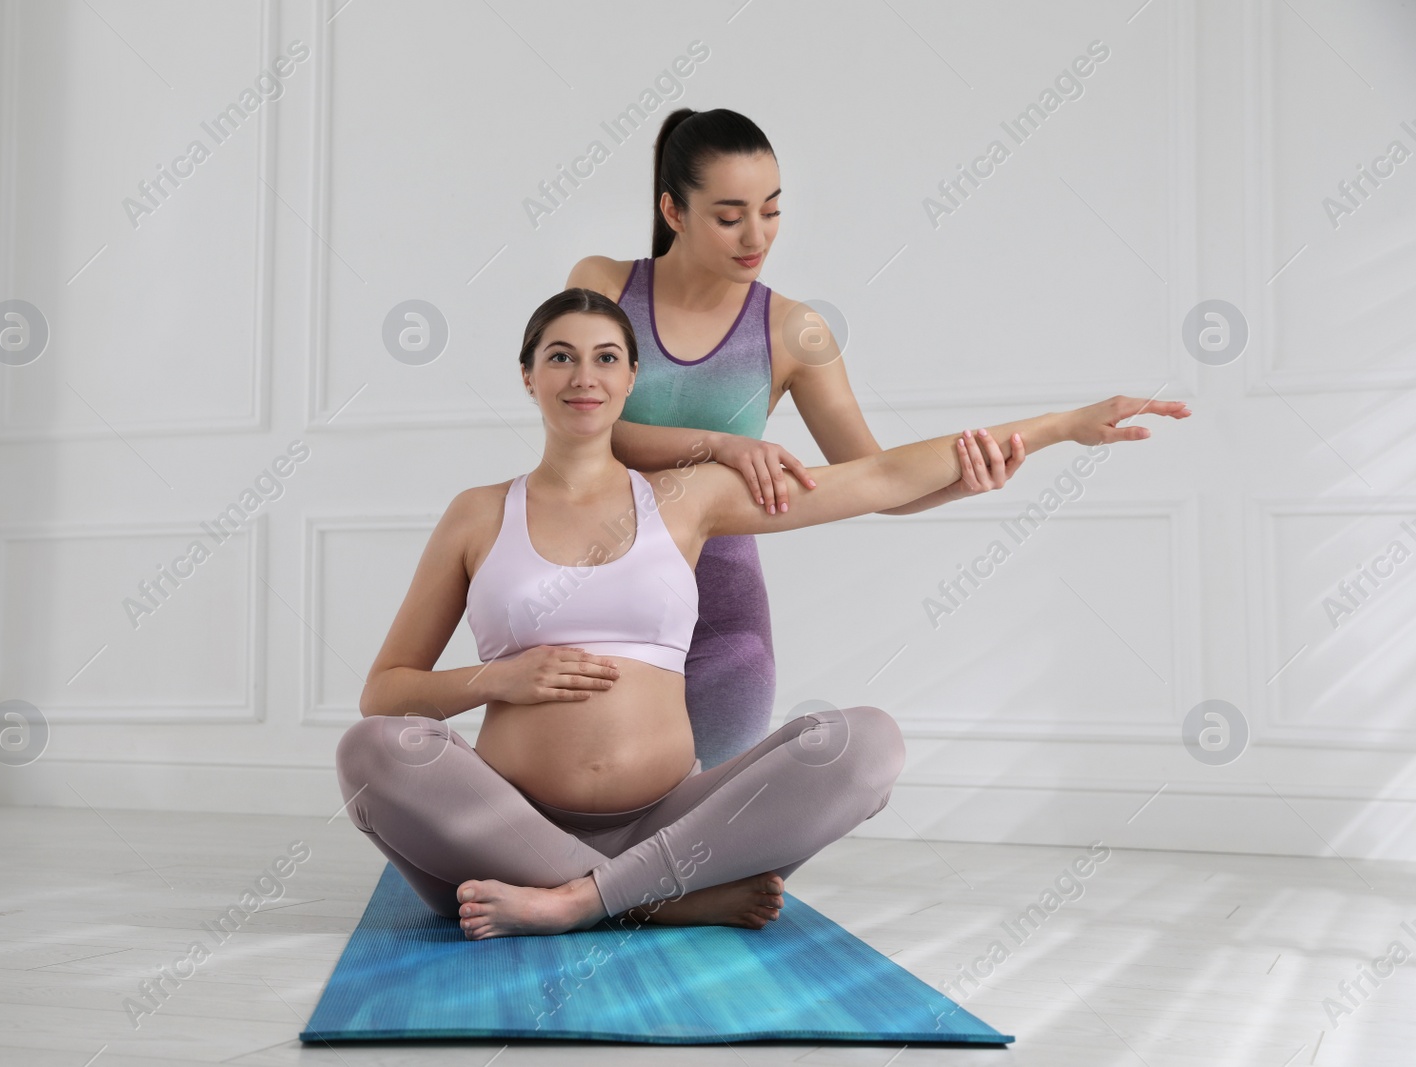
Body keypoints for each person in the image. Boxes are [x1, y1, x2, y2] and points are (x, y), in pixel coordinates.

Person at [337, 288, 1187, 940]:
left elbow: (879, 479)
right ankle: (658, 900)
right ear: (528, 376)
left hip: (673, 817)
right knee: (370, 753)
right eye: (559, 357)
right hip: (510, 819)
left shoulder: (687, 496)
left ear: (632, 380)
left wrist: (1061, 426)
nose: (583, 376)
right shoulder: (478, 512)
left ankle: (583, 899)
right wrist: (501, 676)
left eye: (604, 358)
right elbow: (386, 691)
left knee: (867, 742)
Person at [566, 107, 1019, 771]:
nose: (758, 235)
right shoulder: (602, 286)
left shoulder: (795, 332)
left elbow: (875, 479)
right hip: (596, 598)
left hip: (724, 620)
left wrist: (962, 481)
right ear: (674, 210)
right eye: (729, 215)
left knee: (711, 835)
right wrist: (721, 446)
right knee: (585, 817)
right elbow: (591, 433)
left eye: (771, 210)